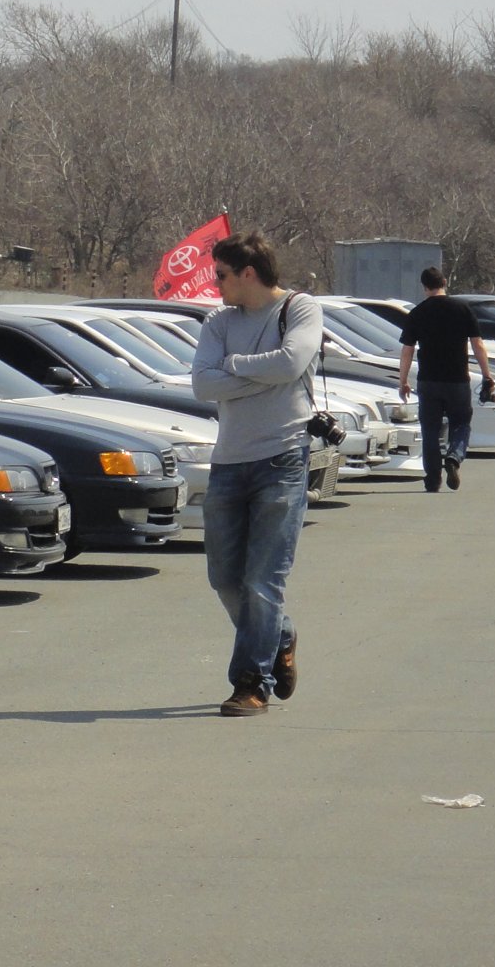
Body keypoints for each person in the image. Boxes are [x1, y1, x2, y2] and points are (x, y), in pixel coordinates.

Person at [189, 231, 322, 718]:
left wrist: (237, 366)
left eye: (221, 275)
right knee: (226, 578)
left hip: (283, 460)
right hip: (228, 463)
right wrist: (258, 375)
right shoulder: (218, 321)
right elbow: (203, 383)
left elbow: (292, 362)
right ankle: (280, 634)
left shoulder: (299, 309)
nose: (215, 283)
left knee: (263, 579)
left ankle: (251, 683)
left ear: (248, 273)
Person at [396, 266, 495, 493]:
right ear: (445, 282)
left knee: (430, 429)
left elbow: (407, 350)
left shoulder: (418, 313)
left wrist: (403, 381)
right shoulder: (462, 309)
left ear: (424, 287)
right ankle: (454, 456)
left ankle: (432, 479)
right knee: (461, 423)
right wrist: (487, 375)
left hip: (428, 380)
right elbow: (477, 344)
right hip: (457, 379)